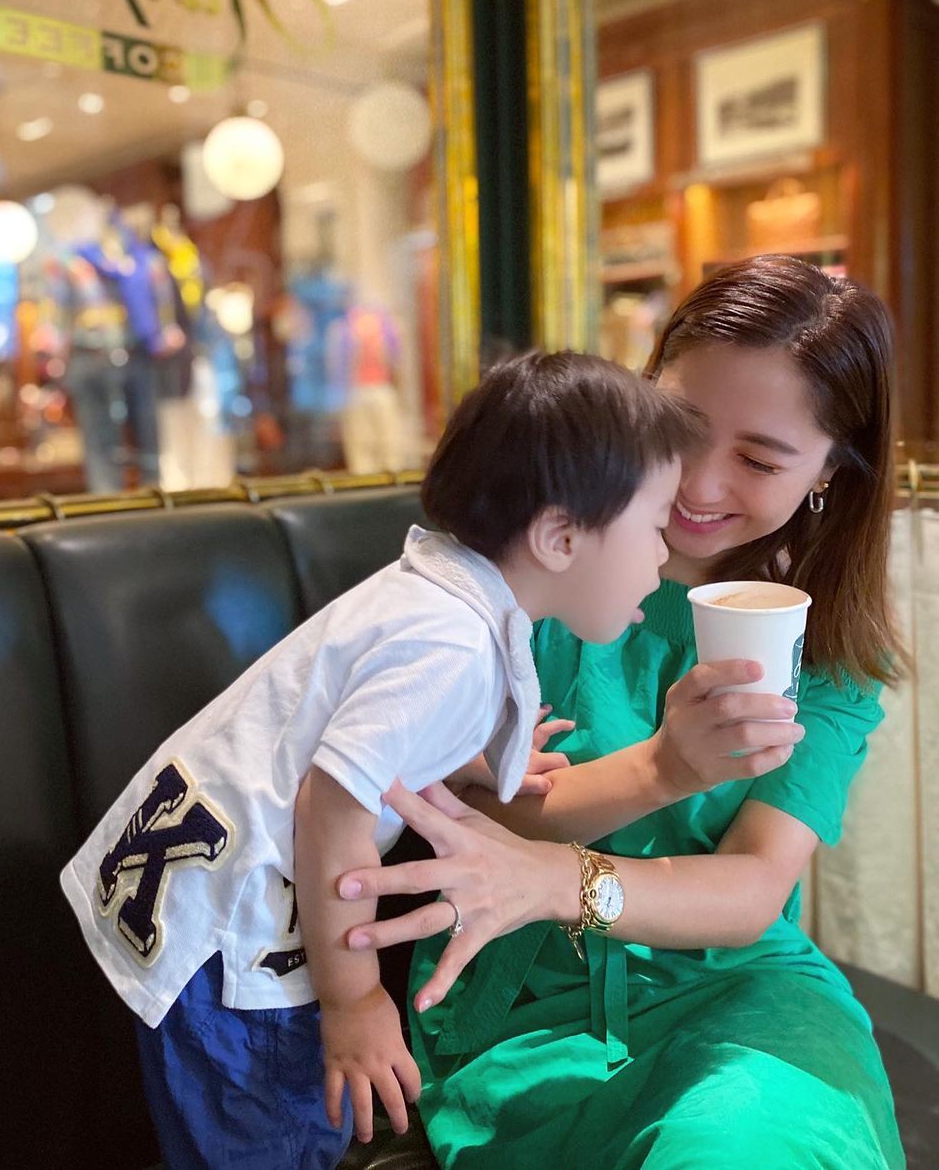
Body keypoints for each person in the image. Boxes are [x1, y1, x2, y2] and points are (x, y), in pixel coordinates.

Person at [59, 351, 704, 1169]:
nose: (664, 555)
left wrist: (464, 760)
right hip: (228, 943)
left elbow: (353, 728)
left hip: (176, 885)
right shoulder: (451, 643)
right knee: (280, 1139)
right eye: (655, 524)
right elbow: (330, 806)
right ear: (560, 535)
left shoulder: (438, 589)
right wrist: (355, 999)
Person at [338, 256, 908, 1169]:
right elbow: (462, 805)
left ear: (829, 474)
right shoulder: (525, 563)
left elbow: (755, 889)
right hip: (519, 1005)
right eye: (680, 425)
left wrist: (556, 879)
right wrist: (663, 771)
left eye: (759, 459)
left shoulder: (824, 647)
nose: (698, 483)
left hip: (736, 996)